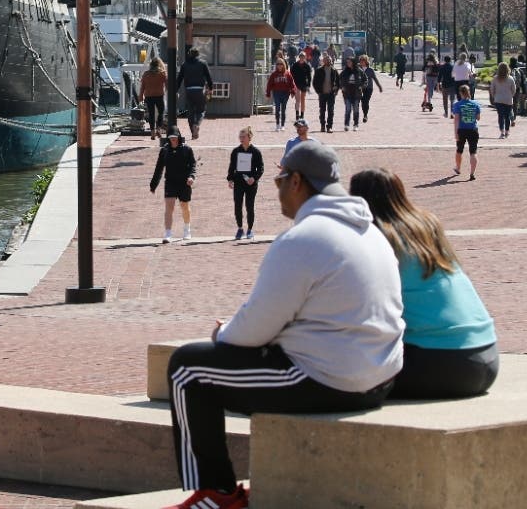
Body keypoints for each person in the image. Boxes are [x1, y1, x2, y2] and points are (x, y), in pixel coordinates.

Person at [164, 142, 403, 509]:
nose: (276, 190)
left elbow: (254, 328)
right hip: (380, 376)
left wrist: (222, 333)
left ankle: (215, 494)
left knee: (188, 368)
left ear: (296, 182)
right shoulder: (371, 233)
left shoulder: (304, 239)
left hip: (329, 378)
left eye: (278, 181)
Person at [349, 168, 498, 399]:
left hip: (438, 361)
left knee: (335, 375)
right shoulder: (426, 226)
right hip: (486, 353)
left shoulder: (379, 238)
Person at [150, 126, 198, 244]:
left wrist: (191, 177)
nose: (173, 140)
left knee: (184, 206)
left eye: (175, 138)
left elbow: (193, 165)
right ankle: (168, 233)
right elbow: (159, 168)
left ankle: (187, 230)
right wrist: (154, 184)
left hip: (184, 182)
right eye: (171, 138)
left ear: (179, 137)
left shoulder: (187, 149)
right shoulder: (165, 150)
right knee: (169, 207)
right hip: (170, 182)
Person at [227, 126, 264, 240]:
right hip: (238, 182)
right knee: (238, 205)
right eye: (240, 137)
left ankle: (250, 230)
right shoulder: (236, 151)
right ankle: (240, 228)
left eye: (243, 137)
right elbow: (232, 167)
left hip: (251, 184)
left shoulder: (256, 152)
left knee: (249, 206)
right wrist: (230, 179)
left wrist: (254, 178)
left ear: (249, 137)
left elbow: (261, 168)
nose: (241, 139)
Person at [178, 47, 214, 140]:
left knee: (190, 112)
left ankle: (193, 133)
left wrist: (175, 90)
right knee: (201, 110)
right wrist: (210, 88)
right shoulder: (203, 63)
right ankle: (197, 125)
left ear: (189, 54)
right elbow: (209, 77)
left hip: (189, 90)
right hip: (199, 90)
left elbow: (179, 79)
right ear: (198, 54)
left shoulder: (184, 65)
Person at [451, 84, 481, 180]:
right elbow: (478, 118)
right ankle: (472, 173)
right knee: (473, 152)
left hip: (462, 130)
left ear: (460, 93)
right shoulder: (476, 104)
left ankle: (458, 167)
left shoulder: (457, 105)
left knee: (459, 150)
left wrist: (455, 133)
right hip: (473, 129)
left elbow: (456, 119)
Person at [139, 57, 168, 140]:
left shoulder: (146, 74)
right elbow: (167, 86)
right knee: (161, 113)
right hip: (159, 95)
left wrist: (141, 97)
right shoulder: (162, 73)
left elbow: (142, 87)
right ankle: (158, 129)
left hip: (148, 96)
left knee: (151, 114)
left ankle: (152, 133)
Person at [265, 59, 296, 132]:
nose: (279, 66)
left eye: (281, 64)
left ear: (283, 65)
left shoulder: (287, 73)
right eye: (278, 64)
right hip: (276, 93)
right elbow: (269, 84)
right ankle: (277, 124)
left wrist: (293, 92)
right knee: (277, 109)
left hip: (285, 93)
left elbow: (292, 84)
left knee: (283, 109)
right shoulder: (274, 74)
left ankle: (282, 125)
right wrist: (268, 93)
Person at [313, 53, 340, 133]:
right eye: (326, 60)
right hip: (322, 93)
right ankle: (322, 126)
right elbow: (314, 82)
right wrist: (318, 92)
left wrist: (336, 90)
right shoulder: (319, 70)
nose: (328, 61)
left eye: (329, 60)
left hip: (331, 94)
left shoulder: (334, 71)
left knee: (330, 110)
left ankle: (329, 127)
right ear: (323, 61)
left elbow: (338, 82)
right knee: (322, 110)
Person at [488, 62, 516, 139]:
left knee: (500, 116)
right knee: (507, 116)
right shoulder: (510, 79)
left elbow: (492, 89)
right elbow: (514, 90)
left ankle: (502, 132)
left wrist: (494, 96)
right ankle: (507, 131)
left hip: (498, 99)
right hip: (508, 100)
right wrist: (510, 96)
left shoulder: (495, 79)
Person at [339, 56, 367, 131]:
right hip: (347, 93)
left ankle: (356, 124)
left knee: (356, 110)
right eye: (347, 62)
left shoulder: (359, 71)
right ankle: (346, 124)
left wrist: (362, 86)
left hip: (356, 93)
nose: (348, 63)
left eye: (350, 62)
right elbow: (339, 79)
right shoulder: (345, 71)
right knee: (348, 109)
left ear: (353, 62)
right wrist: (342, 86)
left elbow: (365, 80)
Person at [357, 54, 383, 123]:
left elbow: (375, 79)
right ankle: (364, 113)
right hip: (360, 88)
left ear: (366, 61)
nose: (361, 62)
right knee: (363, 101)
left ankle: (365, 115)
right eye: (360, 61)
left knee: (365, 101)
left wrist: (379, 86)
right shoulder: (358, 69)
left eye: (363, 61)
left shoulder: (370, 70)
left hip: (369, 88)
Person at [289, 51, 313, 121]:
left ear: (305, 57)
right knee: (297, 100)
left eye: (303, 56)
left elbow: (309, 77)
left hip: (304, 84)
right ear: (299, 57)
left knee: (303, 100)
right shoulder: (295, 65)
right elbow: (291, 75)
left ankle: (302, 115)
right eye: (301, 56)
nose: (302, 58)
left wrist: (308, 85)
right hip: (296, 84)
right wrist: (291, 86)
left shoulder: (307, 66)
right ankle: (297, 114)